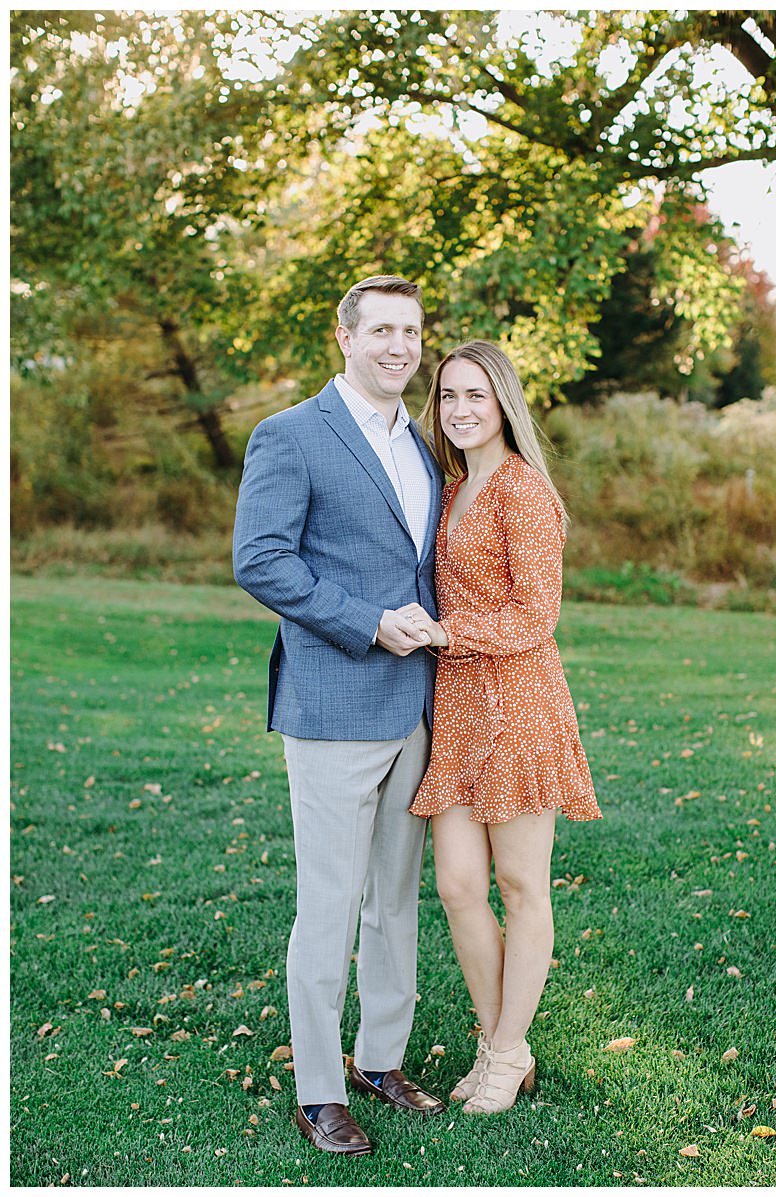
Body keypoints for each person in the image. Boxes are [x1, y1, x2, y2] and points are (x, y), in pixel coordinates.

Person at [233, 275, 446, 1157]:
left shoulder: (425, 445)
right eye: (383, 330)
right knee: (329, 903)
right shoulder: (290, 435)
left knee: (395, 901)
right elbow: (260, 559)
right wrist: (369, 623)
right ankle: (319, 1088)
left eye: (413, 331)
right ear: (346, 338)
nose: (400, 346)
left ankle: (380, 1059)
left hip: (415, 709)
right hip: (331, 702)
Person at [397, 340, 601, 1115]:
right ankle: (501, 1046)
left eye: (475, 395)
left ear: (503, 401)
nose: (460, 409)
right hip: (458, 710)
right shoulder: (449, 492)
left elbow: (535, 615)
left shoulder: (524, 491)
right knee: (455, 884)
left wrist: (446, 632)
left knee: (520, 884)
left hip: (518, 704)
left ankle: (506, 1054)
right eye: (448, 396)